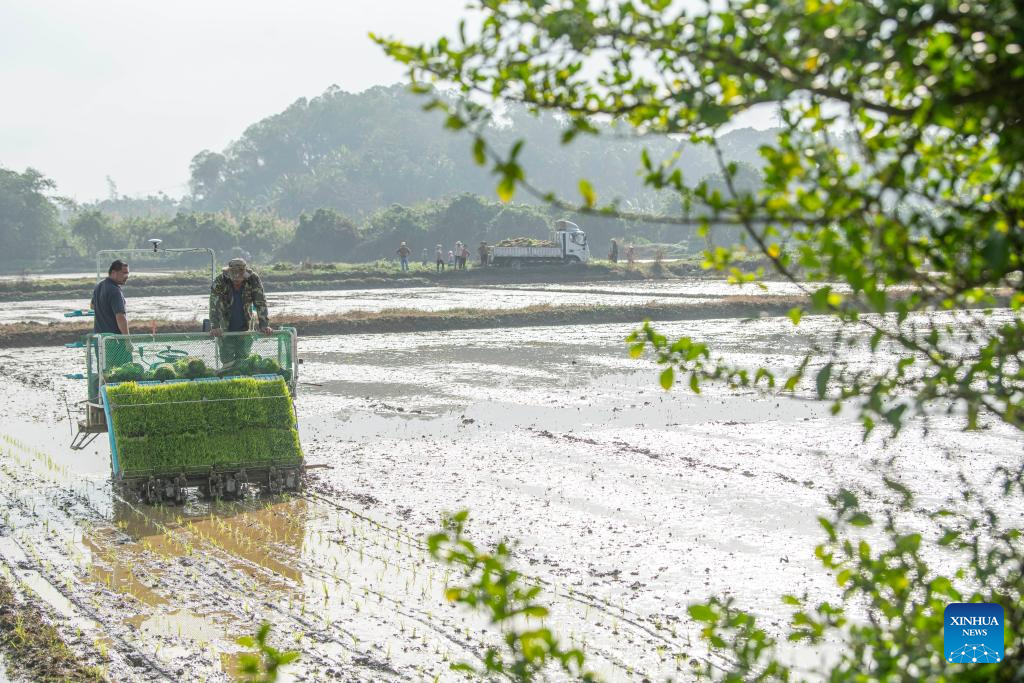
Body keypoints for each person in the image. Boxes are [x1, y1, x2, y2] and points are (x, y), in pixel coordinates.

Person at [209, 258, 272, 367]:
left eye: (240, 278)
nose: (237, 281)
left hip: (245, 326)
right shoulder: (220, 281)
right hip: (225, 327)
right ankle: (228, 372)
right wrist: (215, 326)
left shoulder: (253, 279)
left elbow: (260, 302)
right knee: (227, 361)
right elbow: (214, 304)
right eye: (234, 279)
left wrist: (264, 325)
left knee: (243, 360)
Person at [89, 260, 132, 393]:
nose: (127, 276)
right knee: (121, 373)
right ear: (113, 272)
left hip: (100, 339)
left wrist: (104, 310)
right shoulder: (115, 291)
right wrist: (127, 340)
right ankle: (118, 399)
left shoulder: (99, 286)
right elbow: (120, 317)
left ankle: (102, 398)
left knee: (104, 372)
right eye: (124, 273)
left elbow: (92, 306)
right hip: (114, 342)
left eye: (128, 273)